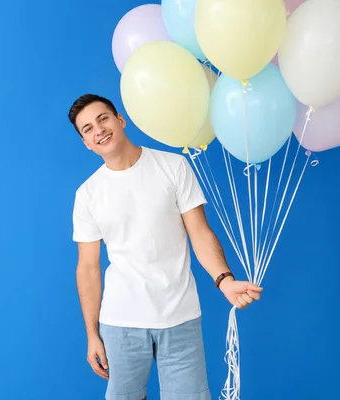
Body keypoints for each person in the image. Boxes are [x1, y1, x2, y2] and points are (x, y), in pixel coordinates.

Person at [68, 94, 263, 400]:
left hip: (180, 317)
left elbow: (199, 232)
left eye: (103, 119)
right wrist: (92, 334)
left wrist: (224, 281)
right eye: (88, 129)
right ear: (86, 143)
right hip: (121, 323)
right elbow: (89, 268)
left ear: (120, 119)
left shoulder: (173, 166)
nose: (99, 130)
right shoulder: (88, 194)